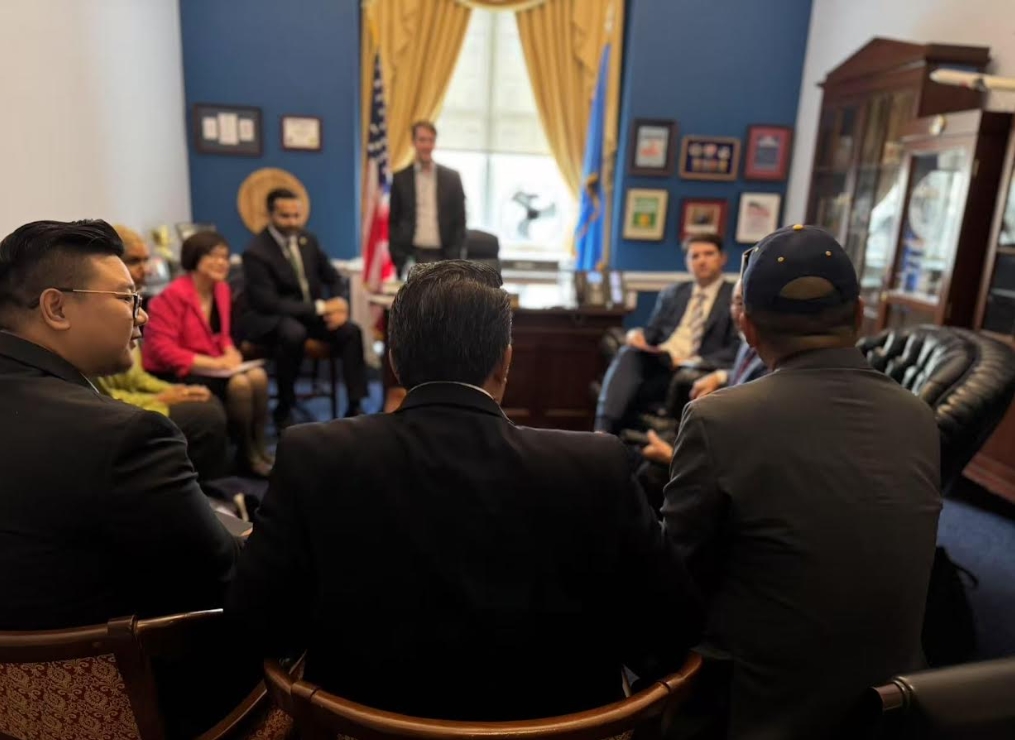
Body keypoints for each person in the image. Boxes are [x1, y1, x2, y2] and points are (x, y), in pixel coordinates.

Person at [227, 260, 702, 721]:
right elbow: (671, 627)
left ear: (393, 361)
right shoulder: (596, 465)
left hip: (357, 725)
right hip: (561, 728)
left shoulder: (312, 455)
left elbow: (256, 622)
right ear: (505, 362)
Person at [661, 225, 941, 738]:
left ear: (746, 326)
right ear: (859, 314)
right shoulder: (918, 415)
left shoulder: (717, 419)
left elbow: (673, 580)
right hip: (894, 708)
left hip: (755, 710)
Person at [0, 219, 240, 631]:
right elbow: (220, 574)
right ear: (56, 308)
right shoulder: (127, 435)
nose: (142, 316)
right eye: (128, 298)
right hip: (119, 663)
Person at [94, 224, 231, 488]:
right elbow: (104, 396)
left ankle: (237, 469)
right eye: (135, 261)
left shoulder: (222, 290)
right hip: (132, 399)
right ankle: (206, 490)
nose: (146, 269)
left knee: (234, 389)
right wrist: (162, 396)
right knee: (209, 413)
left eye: (146, 260)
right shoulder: (106, 315)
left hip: (164, 381)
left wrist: (175, 390)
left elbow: (136, 378)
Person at [143, 232, 272, 478]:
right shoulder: (170, 297)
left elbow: (222, 334)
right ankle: (247, 454)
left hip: (211, 367)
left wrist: (230, 351)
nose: (222, 262)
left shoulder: (221, 289)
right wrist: (215, 363)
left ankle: (260, 447)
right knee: (240, 384)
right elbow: (163, 350)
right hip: (175, 372)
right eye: (214, 256)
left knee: (258, 376)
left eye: (225, 257)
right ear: (195, 258)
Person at [239, 188, 367, 428]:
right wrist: (321, 307)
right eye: (285, 216)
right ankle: (285, 405)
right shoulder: (255, 251)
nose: (292, 222)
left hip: (309, 316)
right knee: (293, 333)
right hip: (273, 319)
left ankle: (355, 403)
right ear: (270, 215)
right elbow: (268, 303)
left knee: (351, 331)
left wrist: (339, 303)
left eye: (297, 215)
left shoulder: (308, 240)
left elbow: (333, 277)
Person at [595, 233, 739, 434]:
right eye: (695, 256)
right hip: (661, 359)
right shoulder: (674, 293)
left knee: (629, 387)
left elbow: (735, 348)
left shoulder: (734, 296)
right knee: (629, 353)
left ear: (722, 258)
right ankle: (603, 430)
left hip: (692, 365)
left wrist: (692, 361)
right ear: (687, 262)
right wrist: (636, 335)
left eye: (708, 254)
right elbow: (652, 332)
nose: (702, 261)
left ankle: (609, 433)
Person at [389, 121, 467, 277]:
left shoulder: (452, 178)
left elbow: (460, 222)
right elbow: (393, 221)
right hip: (411, 258)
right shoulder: (400, 179)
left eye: (430, 140)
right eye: (422, 140)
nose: (426, 145)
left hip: (445, 259)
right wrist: (399, 257)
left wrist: (455, 258)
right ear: (413, 142)